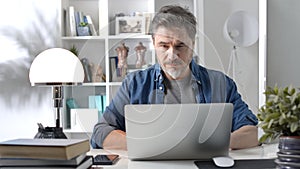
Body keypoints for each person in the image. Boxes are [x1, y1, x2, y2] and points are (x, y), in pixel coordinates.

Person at [91, 5, 259, 150]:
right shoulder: (134, 84)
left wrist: (213, 143)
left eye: (180, 46)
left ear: (193, 44)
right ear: (153, 43)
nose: (172, 55)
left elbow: (252, 132)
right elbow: (100, 132)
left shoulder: (221, 83)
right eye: (164, 46)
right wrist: (147, 145)